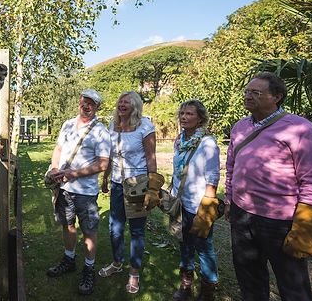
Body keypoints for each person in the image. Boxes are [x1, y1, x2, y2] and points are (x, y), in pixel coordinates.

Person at [225, 72, 312, 301]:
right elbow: (231, 165)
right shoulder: (240, 127)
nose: (248, 96)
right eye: (247, 92)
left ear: (277, 96)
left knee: (292, 286)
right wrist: (229, 199)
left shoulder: (301, 129)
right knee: (249, 280)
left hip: (281, 222)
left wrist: (305, 228)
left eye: (256, 93)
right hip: (242, 215)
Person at [45, 89, 111, 295]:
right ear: (79, 102)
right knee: (68, 225)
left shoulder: (101, 131)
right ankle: (69, 259)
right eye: (84, 101)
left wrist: (74, 174)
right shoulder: (66, 125)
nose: (87, 105)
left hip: (85, 192)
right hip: (63, 188)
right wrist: (54, 168)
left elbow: (102, 163)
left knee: (89, 231)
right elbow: (58, 149)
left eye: (92, 103)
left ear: (97, 107)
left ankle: (89, 268)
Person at [98, 91, 164, 294]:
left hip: (137, 184)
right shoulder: (113, 125)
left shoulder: (145, 126)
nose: (122, 104)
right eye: (120, 101)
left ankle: (134, 273)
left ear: (135, 105)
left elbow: (151, 158)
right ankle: (117, 262)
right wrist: (106, 178)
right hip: (118, 183)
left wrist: (153, 187)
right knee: (114, 228)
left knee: (136, 230)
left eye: (127, 101)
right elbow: (110, 154)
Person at [169, 100, 221, 301]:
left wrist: (208, 204)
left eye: (189, 114)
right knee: (184, 245)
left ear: (200, 118)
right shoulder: (179, 140)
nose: (183, 117)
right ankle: (186, 285)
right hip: (179, 202)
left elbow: (213, 174)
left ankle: (208, 290)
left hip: (199, 204)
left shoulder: (207, 142)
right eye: (182, 113)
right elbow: (177, 171)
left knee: (204, 248)